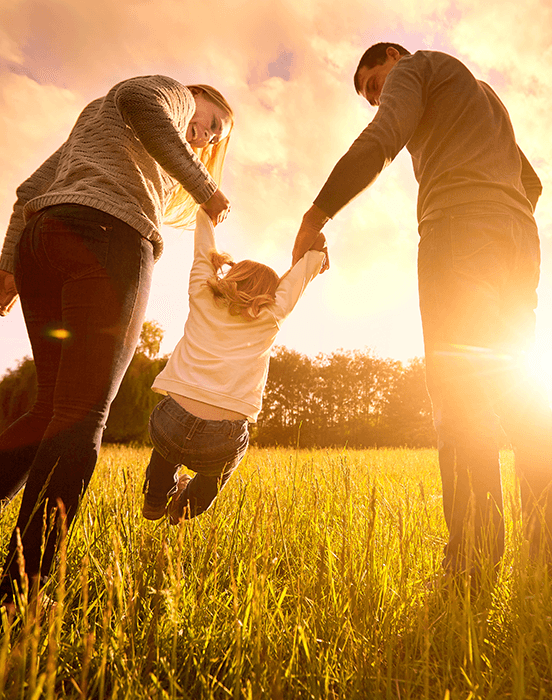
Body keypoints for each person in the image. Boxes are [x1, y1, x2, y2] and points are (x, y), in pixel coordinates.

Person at [292, 42, 552, 576]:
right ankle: (543, 549)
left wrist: (315, 215)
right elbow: (532, 182)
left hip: (457, 232)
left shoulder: (417, 67)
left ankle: (472, 563)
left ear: (392, 55)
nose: (375, 99)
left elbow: (384, 139)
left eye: (373, 84)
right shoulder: (481, 95)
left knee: (459, 397)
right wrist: (500, 214)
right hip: (518, 239)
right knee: (519, 396)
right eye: (367, 96)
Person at [0, 75, 234, 606]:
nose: (204, 136)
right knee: (81, 417)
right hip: (106, 240)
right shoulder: (167, 92)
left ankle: (19, 582)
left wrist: (10, 265)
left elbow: (28, 191)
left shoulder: (97, 123)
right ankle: (21, 595)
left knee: (50, 412)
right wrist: (206, 188)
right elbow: (141, 101)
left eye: (212, 140)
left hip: (46, 242)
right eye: (211, 123)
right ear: (195, 96)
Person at [142, 208, 326, 524]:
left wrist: (206, 214)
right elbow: (299, 277)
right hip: (222, 435)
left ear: (232, 275)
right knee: (217, 473)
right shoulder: (272, 314)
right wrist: (316, 255)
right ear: (271, 294)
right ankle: (185, 509)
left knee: (166, 451)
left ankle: (156, 498)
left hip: (171, 419)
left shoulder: (202, 293)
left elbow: (203, 251)